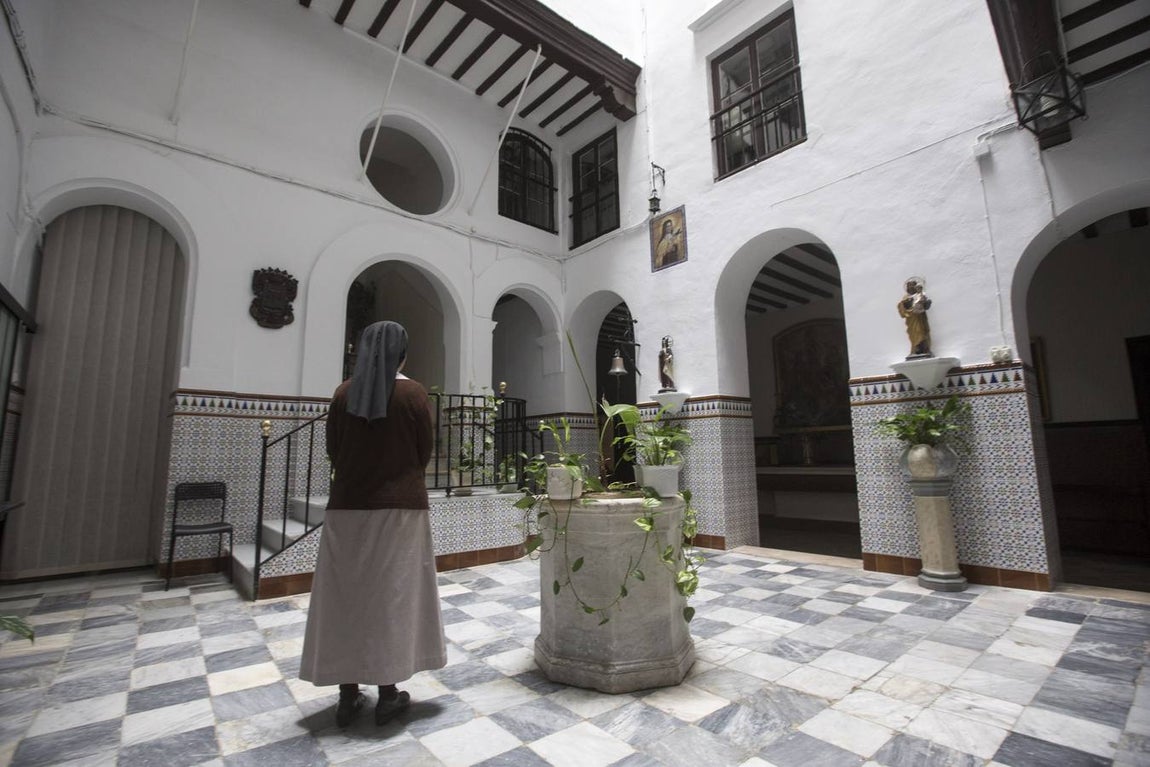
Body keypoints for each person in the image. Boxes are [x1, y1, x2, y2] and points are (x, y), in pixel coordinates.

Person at [299, 321, 446, 727]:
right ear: (403, 354)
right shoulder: (413, 393)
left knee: (344, 597)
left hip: (346, 508)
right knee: (393, 598)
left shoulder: (343, 394)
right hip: (400, 510)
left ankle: (347, 696)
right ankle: (387, 695)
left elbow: (334, 449)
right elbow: (423, 451)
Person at [897, 277, 932, 357]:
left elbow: (925, 305)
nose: (911, 287)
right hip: (911, 320)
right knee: (914, 334)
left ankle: (923, 348)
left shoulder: (920, 295)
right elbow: (902, 308)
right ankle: (916, 348)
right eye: (909, 286)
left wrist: (926, 303)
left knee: (921, 331)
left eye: (913, 286)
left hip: (920, 319)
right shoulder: (906, 298)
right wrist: (906, 304)